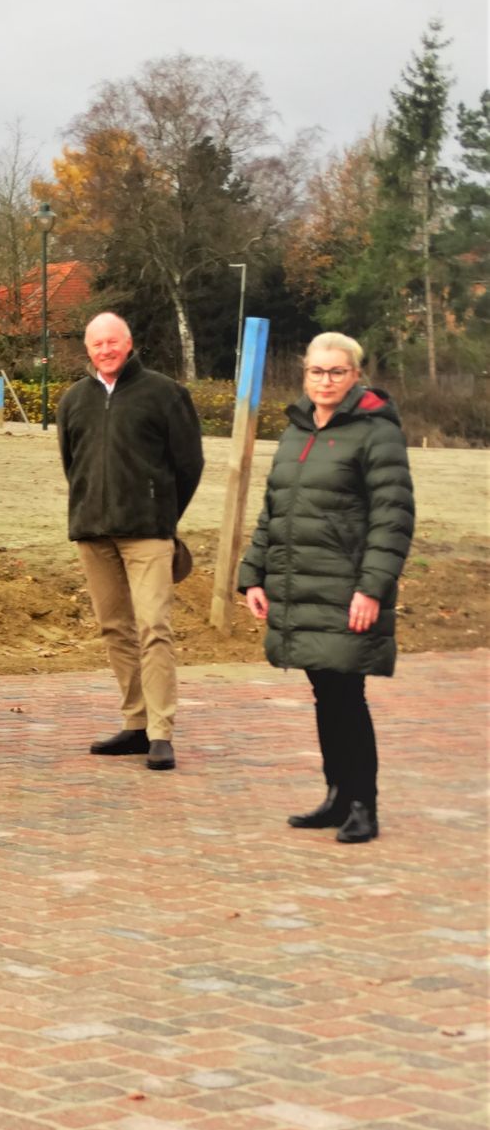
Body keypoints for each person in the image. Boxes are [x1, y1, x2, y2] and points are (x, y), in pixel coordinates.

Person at [238, 333, 413, 844]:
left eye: (337, 372)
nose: (326, 381)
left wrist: (372, 589)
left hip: (347, 588)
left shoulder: (376, 434)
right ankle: (337, 795)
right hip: (298, 584)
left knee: (346, 695)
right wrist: (254, 574)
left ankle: (363, 804)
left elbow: (392, 518)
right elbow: (274, 511)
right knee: (325, 693)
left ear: (356, 375)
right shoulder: (296, 431)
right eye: (317, 371)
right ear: (304, 374)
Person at [57, 312, 204, 771]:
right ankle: (136, 724)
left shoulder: (164, 394)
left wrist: (161, 511)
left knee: (154, 629)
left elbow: (189, 464)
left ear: (129, 342)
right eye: (97, 343)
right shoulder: (74, 400)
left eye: (113, 341)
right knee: (115, 628)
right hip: (93, 532)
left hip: (148, 533)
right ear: (87, 349)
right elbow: (72, 462)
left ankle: (162, 733)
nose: (106, 349)